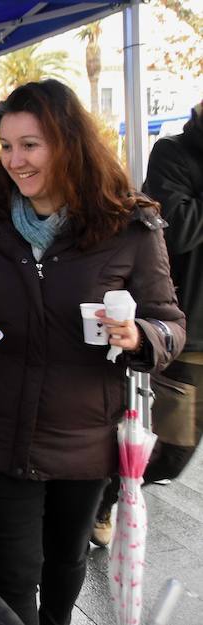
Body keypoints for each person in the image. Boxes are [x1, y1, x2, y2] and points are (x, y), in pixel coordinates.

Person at [0, 79, 185, 625]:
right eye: (5, 144)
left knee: (65, 564)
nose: (14, 160)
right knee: (13, 574)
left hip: (83, 434)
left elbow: (170, 324)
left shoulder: (129, 224)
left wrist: (140, 336)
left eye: (30, 144)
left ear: (68, 142)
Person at [92, 97, 203, 545]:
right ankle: (99, 497)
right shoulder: (173, 153)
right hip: (189, 331)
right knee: (171, 451)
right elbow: (180, 225)